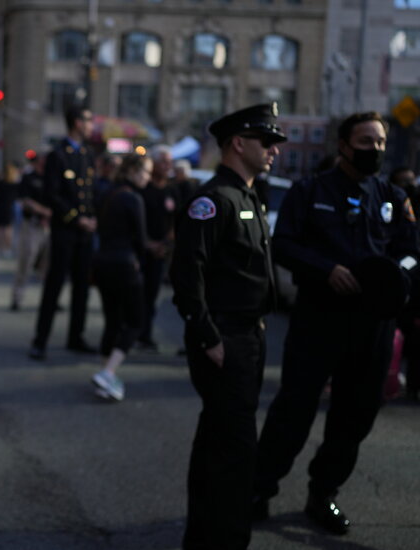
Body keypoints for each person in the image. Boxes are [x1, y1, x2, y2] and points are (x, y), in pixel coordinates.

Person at [253, 112, 420, 536]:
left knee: (356, 416)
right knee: (293, 410)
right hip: (319, 320)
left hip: (373, 325)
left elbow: (411, 252)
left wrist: (396, 272)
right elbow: (284, 244)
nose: (376, 150)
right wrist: (326, 269)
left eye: (381, 142)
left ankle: (323, 493)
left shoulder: (394, 197)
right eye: (366, 142)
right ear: (343, 146)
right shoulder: (308, 192)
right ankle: (257, 490)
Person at [171, 104, 283, 550]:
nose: (274, 150)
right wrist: (207, 336)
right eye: (266, 141)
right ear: (239, 143)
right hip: (225, 338)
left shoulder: (251, 195)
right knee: (233, 448)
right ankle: (221, 539)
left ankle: (208, 535)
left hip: (249, 336)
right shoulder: (212, 199)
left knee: (224, 441)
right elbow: (186, 275)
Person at [28, 106, 96, 360]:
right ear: (77, 122)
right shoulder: (58, 155)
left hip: (86, 232)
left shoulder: (88, 154)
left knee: (82, 287)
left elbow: (90, 193)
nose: (91, 125)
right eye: (89, 120)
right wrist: (77, 219)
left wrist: (92, 217)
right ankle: (40, 340)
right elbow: (52, 195)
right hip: (66, 230)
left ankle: (76, 336)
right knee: (54, 286)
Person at [90, 153, 153, 402]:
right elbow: (141, 239)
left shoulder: (107, 193)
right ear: (134, 171)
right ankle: (108, 372)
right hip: (124, 264)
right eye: (146, 172)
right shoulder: (133, 199)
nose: (148, 177)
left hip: (102, 262)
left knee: (112, 320)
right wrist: (142, 260)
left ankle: (106, 378)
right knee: (136, 321)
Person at [137, 144, 175, 352]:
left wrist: (166, 242)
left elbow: (175, 219)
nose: (168, 165)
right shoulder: (144, 189)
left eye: (169, 161)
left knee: (152, 295)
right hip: (141, 250)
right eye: (164, 161)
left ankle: (145, 334)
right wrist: (147, 243)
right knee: (137, 294)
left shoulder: (171, 190)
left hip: (161, 252)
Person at [11, 150, 50, 311]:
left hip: (48, 226)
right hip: (32, 224)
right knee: (26, 262)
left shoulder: (51, 178)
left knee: (48, 265)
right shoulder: (29, 177)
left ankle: (49, 301)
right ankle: (17, 298)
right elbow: (24, 201)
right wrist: (43, 211)